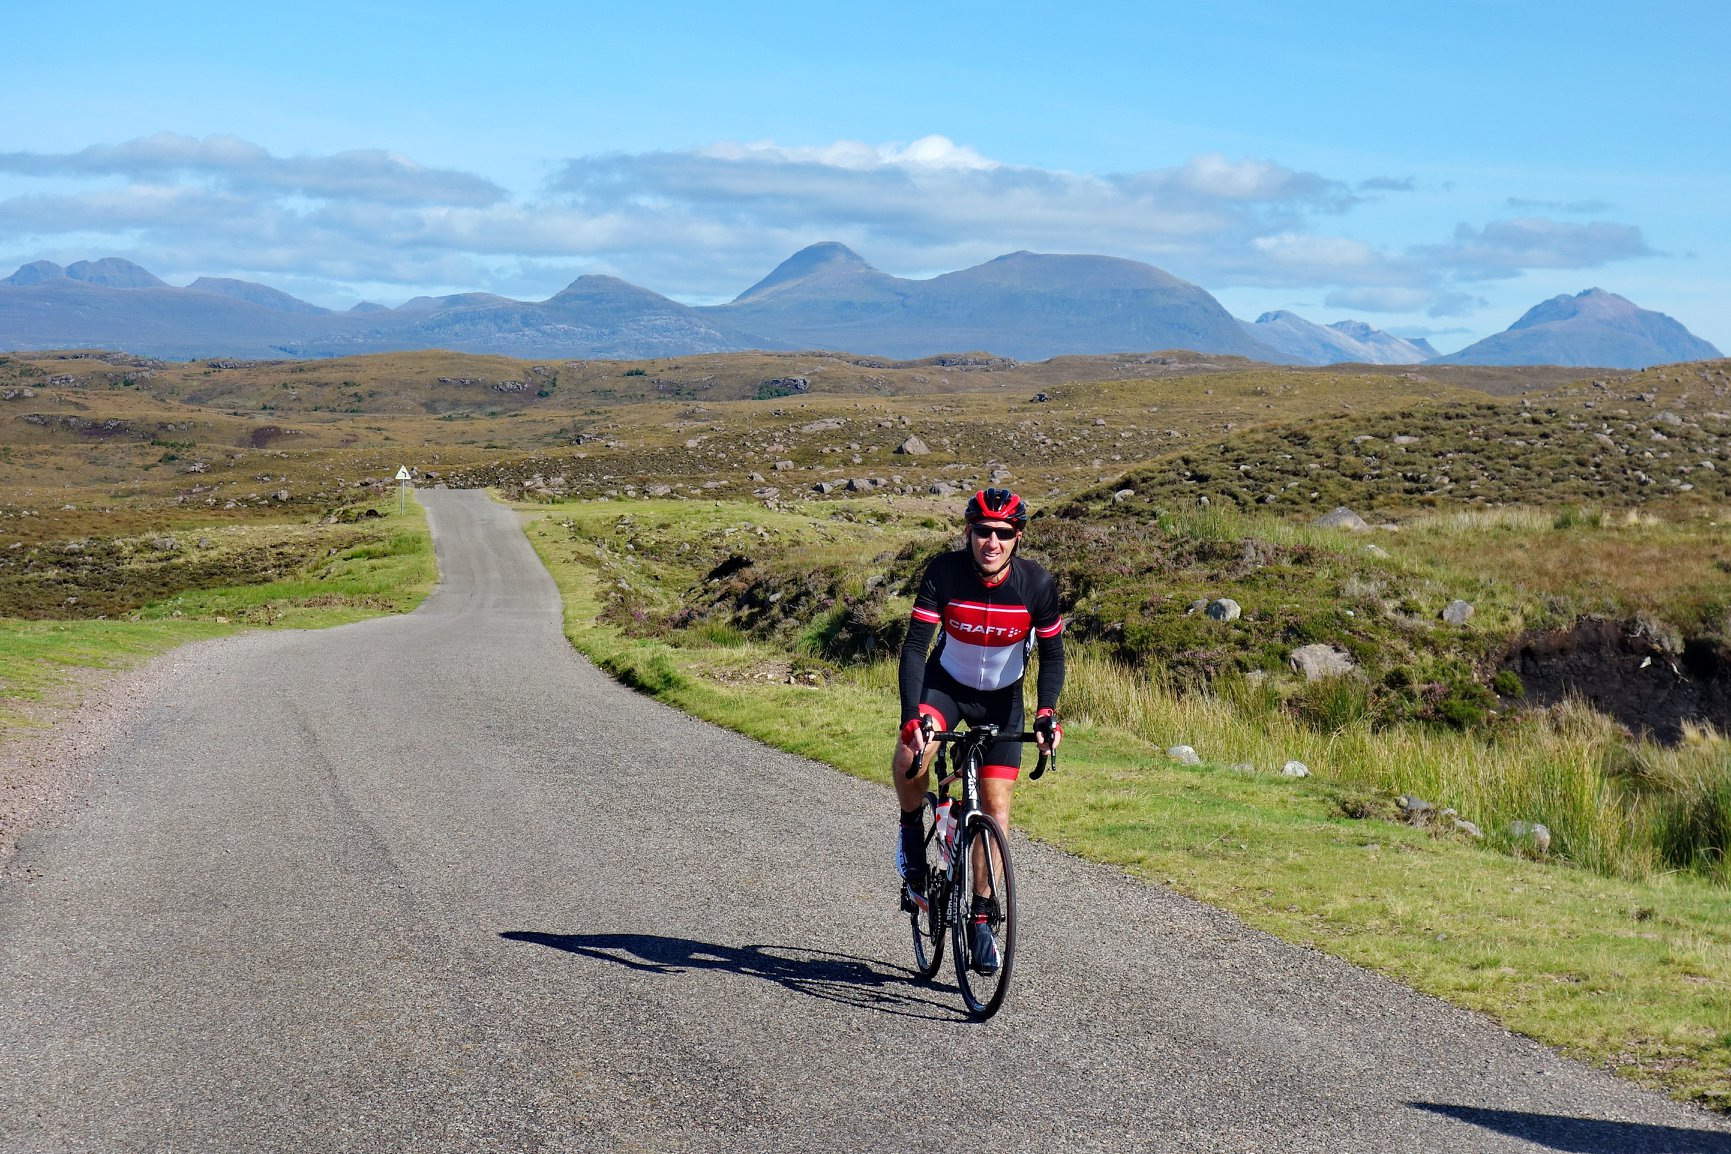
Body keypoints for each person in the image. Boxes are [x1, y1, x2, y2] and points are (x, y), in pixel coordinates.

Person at [893, 487, 1064, 973]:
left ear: (1017, 538)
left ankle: (982, 916)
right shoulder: (943, 573)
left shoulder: (1036, 585)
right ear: (968, 533)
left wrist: (1047, 713)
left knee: (995, 806)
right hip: (946, 686)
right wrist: (914, 717)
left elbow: (1053, 654)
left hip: (1003, 699)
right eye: (983, 531)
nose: (992, 541)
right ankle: (911, 835)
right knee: (911, 757)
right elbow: (914, 648)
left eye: (1003, 534)